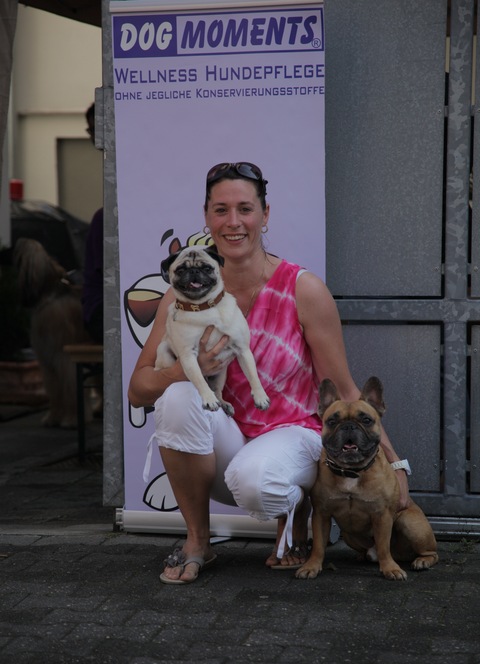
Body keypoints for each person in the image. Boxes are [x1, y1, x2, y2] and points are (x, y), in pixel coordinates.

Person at [128, 161, 411, 585]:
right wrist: (189, 371)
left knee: (257, 481)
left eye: (245, 209)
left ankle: (297, 511)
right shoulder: (181, 296)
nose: (233, 222)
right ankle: (198, 541)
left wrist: (395, 462)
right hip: (224, 445)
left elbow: (344, 388)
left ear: (265, 215)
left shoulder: (302, 288)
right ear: (206, 217)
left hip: (291, 438)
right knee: (177, 398)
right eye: (221, 210)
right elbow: (138, 390)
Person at [81, 102, 103, 344]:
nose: (95, 140)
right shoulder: (103, 220)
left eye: (96, 130)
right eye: (92, 131)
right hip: (100, 311)